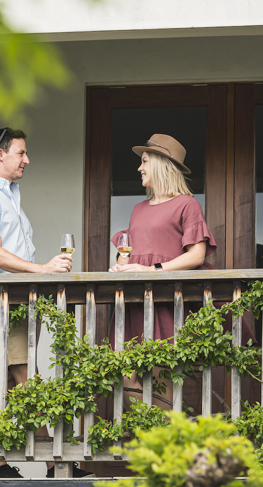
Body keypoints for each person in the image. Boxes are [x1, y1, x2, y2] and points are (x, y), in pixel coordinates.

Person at [0, 128, 85, 479]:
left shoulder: (10, 194)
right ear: (1, 154)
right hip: (0, 303)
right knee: (28, 379)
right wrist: (43, 269)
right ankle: (56, 463)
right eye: (21, 153)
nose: (27, 160)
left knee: (8, 381)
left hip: (21, 302)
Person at [108, 134, 219, 410]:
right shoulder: (137, 209)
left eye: (144, 161)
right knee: (124, 377)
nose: (139, 168)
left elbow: (197, 255)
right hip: (134, 303)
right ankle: (146, 439)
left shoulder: (187, 204)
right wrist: (121, 268)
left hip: (165, 304)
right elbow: (131, 253)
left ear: (160, 163)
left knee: (160, 381)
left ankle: (162, 447)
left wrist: (152, 270)